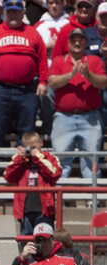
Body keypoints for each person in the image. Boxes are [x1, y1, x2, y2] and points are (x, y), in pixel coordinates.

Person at [0, 0, 49, 148]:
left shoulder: (33, 33)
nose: (13, 15)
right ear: (5, 13)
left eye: (17, 11)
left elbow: (42, 60)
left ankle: (23, 165)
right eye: (10, 11)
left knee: (27, 130)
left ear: (23, 13)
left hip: (27, 90)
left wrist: (43, 82)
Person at [47, 27, 106, 179]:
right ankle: (59, 201)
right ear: (68, 43)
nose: (77, 42)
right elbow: (52, 82)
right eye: (74, 39)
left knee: (91, 162)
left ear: (86, 42)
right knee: (60, 162)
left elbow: (103, 83)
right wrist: (71, 74)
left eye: (81, 39)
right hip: (63, 118)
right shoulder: (59, 61)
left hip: (90, 118)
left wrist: (87, 74)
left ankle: (92, 202)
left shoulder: (94, 60)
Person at [2, 130, 62, 234]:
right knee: (26, 243)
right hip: (25, 211)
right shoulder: (20, 161)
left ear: (41, 143)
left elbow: (55, 174)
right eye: (28, 148)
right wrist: (20, 159)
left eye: (34, 147)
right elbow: (7, 176)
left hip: (45, 211)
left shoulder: (50, 158)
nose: (31, 150)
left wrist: (38, 157)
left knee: (44, 241)